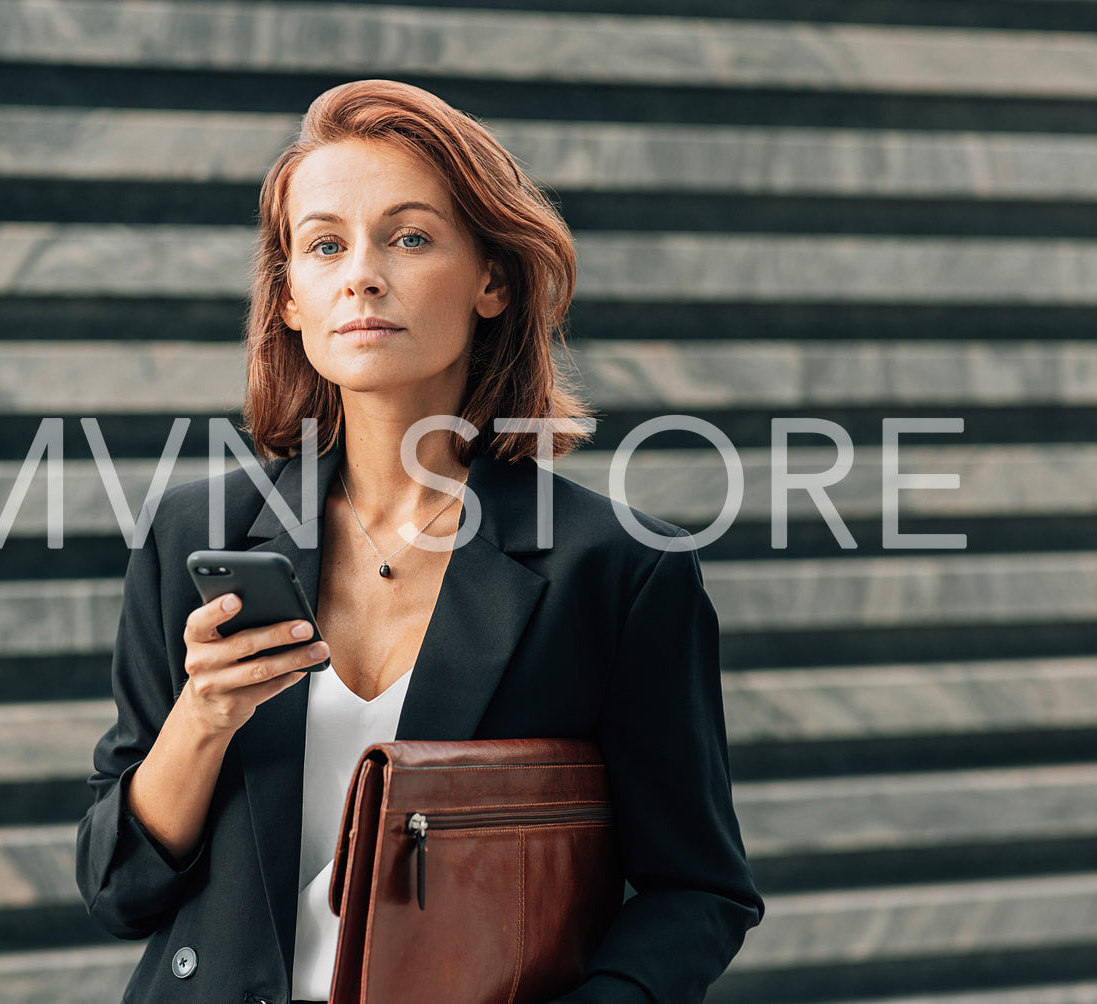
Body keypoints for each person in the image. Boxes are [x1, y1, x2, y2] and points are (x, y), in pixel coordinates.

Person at [76, 78, 763, 1003]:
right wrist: (204, 715)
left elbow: (697, 889)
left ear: (490, 279)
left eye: (407, 237)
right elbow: (118, 888)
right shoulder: (195, 535)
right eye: (323, 244)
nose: (360, 273)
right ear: (289, 300)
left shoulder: (616, 570)